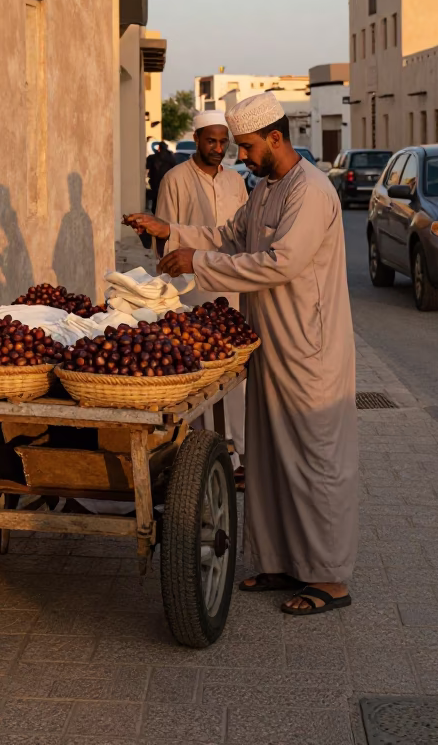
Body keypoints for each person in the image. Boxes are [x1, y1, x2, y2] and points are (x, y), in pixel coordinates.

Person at [127, 92, 358, 617]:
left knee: (314, 460)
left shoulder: (312, 191)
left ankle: (329, 578)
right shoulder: (267, 189)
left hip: (309, 348)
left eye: (249, 147)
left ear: (276, 138)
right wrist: (173, 233)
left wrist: (198, 262)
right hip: (268, 343)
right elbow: (231, 235)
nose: (241, 157)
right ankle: (281, 562)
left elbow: (281, 262)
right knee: (270, 459)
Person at [154, 110, 248, 481]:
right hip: (193, 293)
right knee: (199, 372)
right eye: (212, 141)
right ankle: (199, 456)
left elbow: (240, 236)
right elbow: (163, 239)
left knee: (234, 373)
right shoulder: (174, 179)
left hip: (233, 288)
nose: (219, 148)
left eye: (224, 142)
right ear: (197, 138)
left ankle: (238, 453)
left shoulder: (236, 182)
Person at [145, 141, 175, 212]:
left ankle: (156, 210)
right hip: (166, 180)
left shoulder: (153, 157)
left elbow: (147, 166)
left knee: (156, 197)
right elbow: (175, 167)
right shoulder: (171, 157)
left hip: (155, 181)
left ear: (159, 148)